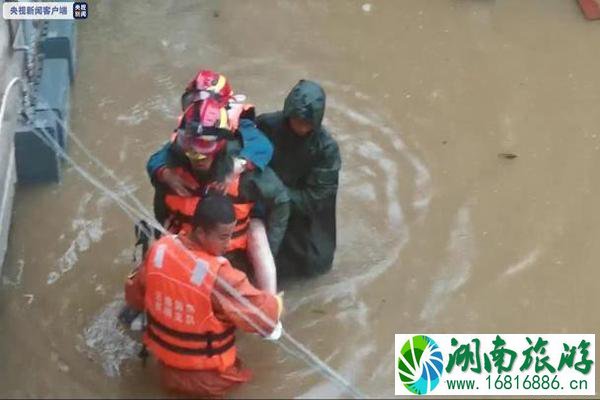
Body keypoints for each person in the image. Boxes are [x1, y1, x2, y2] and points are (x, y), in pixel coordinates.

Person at [125, 194, 283, 397]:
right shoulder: (221, 277)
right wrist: (277, 303)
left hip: (165, 371)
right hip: (213, 383)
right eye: (223, 237)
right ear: (200, 232)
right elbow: (266, 319)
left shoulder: (158, 250)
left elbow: (134, 297)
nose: (228, 244)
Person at [146, 92, 289, 293]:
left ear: (220, 144)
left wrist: (270, 248)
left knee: (257, 236)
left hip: (233, 254)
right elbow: (161, 208)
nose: (198, 156)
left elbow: (281, 201)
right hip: (186, 250)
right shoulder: (169, 168)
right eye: (191, 146)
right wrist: (163, 174)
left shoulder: (244, 171)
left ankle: (269, 304)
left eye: (205, 147)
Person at [256, 80, 341, 277]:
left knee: (312, 266)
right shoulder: (266, 125)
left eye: (307, 123)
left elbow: (316, 198)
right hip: (265, 200)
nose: (301, 127)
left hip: (302, 216)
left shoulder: (326, 150)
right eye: (297, 120)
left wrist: (275, 193)